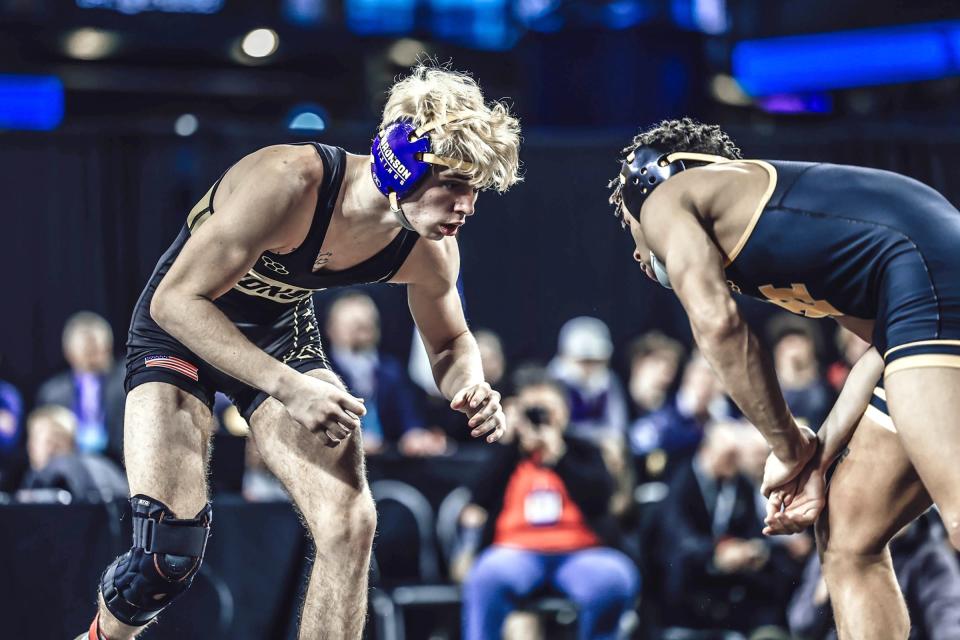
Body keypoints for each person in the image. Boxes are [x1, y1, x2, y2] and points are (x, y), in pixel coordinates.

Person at [79, 61, 521, 640]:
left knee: (349, 524)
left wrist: (469, 383)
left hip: (277, 330)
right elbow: (174, 302)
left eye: (475, 191)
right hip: (183, 326)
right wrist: (287, 387)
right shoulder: (288, 181)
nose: (466, 207)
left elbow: (450, 341)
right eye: (455, 185)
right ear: (402, 162)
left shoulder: (430, 249)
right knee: (166, 554)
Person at [608, 116, 960, 639]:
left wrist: (787, 445)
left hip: (932, 280)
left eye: (630, 232)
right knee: (847, 538)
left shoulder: (664, 196)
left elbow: (720, 328)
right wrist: (816, 457)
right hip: (926, 285)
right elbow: (886, 349)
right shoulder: (779, 230)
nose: (638, 253)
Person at [456, 370, 638, 640]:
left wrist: (559, 457)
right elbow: (478, 496)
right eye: (534, 411)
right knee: (485, 577)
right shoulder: (507, 455)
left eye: (548, 409)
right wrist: (512, 442)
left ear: (564, 411)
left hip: (580, 553)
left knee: (615, 577)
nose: (541, 419)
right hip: (515, 551)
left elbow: (601, 499)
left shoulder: (584, 451)